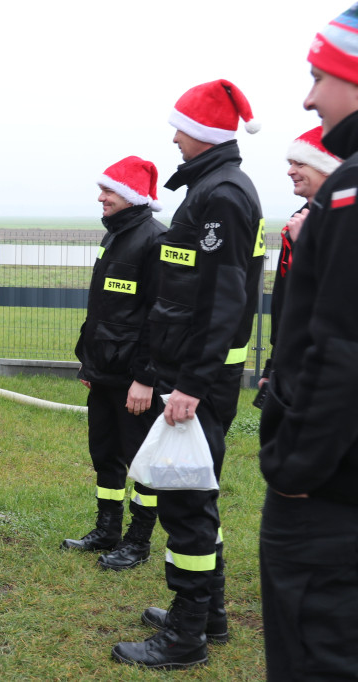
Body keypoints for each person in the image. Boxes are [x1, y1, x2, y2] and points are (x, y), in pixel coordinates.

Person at [111, 80, 265, 670]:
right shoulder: (212, 187)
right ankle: (211, 614)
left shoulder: (221, 194)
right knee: (194, 495)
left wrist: (192, 386)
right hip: (194, 372)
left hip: (200, 379)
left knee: (184, 501)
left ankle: (186, 634)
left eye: (179, 128)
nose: (173, 138)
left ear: (202, 133)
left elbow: (224, 300)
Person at [259, 5, 358, 678]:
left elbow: (341, 349)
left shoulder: (350, 193)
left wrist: (292, 470)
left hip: (329, 495)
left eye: (321, 75)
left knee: (313, 646)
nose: (307, 96)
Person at [63, 157, 167, 572]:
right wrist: (90, 366)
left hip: (134, 380)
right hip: (104, 374)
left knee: (141, 460)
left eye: (109, 191)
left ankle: (137, 542)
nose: (101, 197)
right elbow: (106, 312)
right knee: (105, 454)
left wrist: (145, 379)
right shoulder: (115, 238)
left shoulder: (156, 240)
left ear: (132, 196)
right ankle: (107, 530)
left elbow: (161, 318)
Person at [257, 127, 341, 389]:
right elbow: (286, 303)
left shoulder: (343, 220)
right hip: (292, 360)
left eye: (300, 163)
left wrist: (307, 243)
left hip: (328, 367)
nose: (290, 171)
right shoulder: (299, 219)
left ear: (326, 167)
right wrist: (273, 366)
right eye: (290, 163)